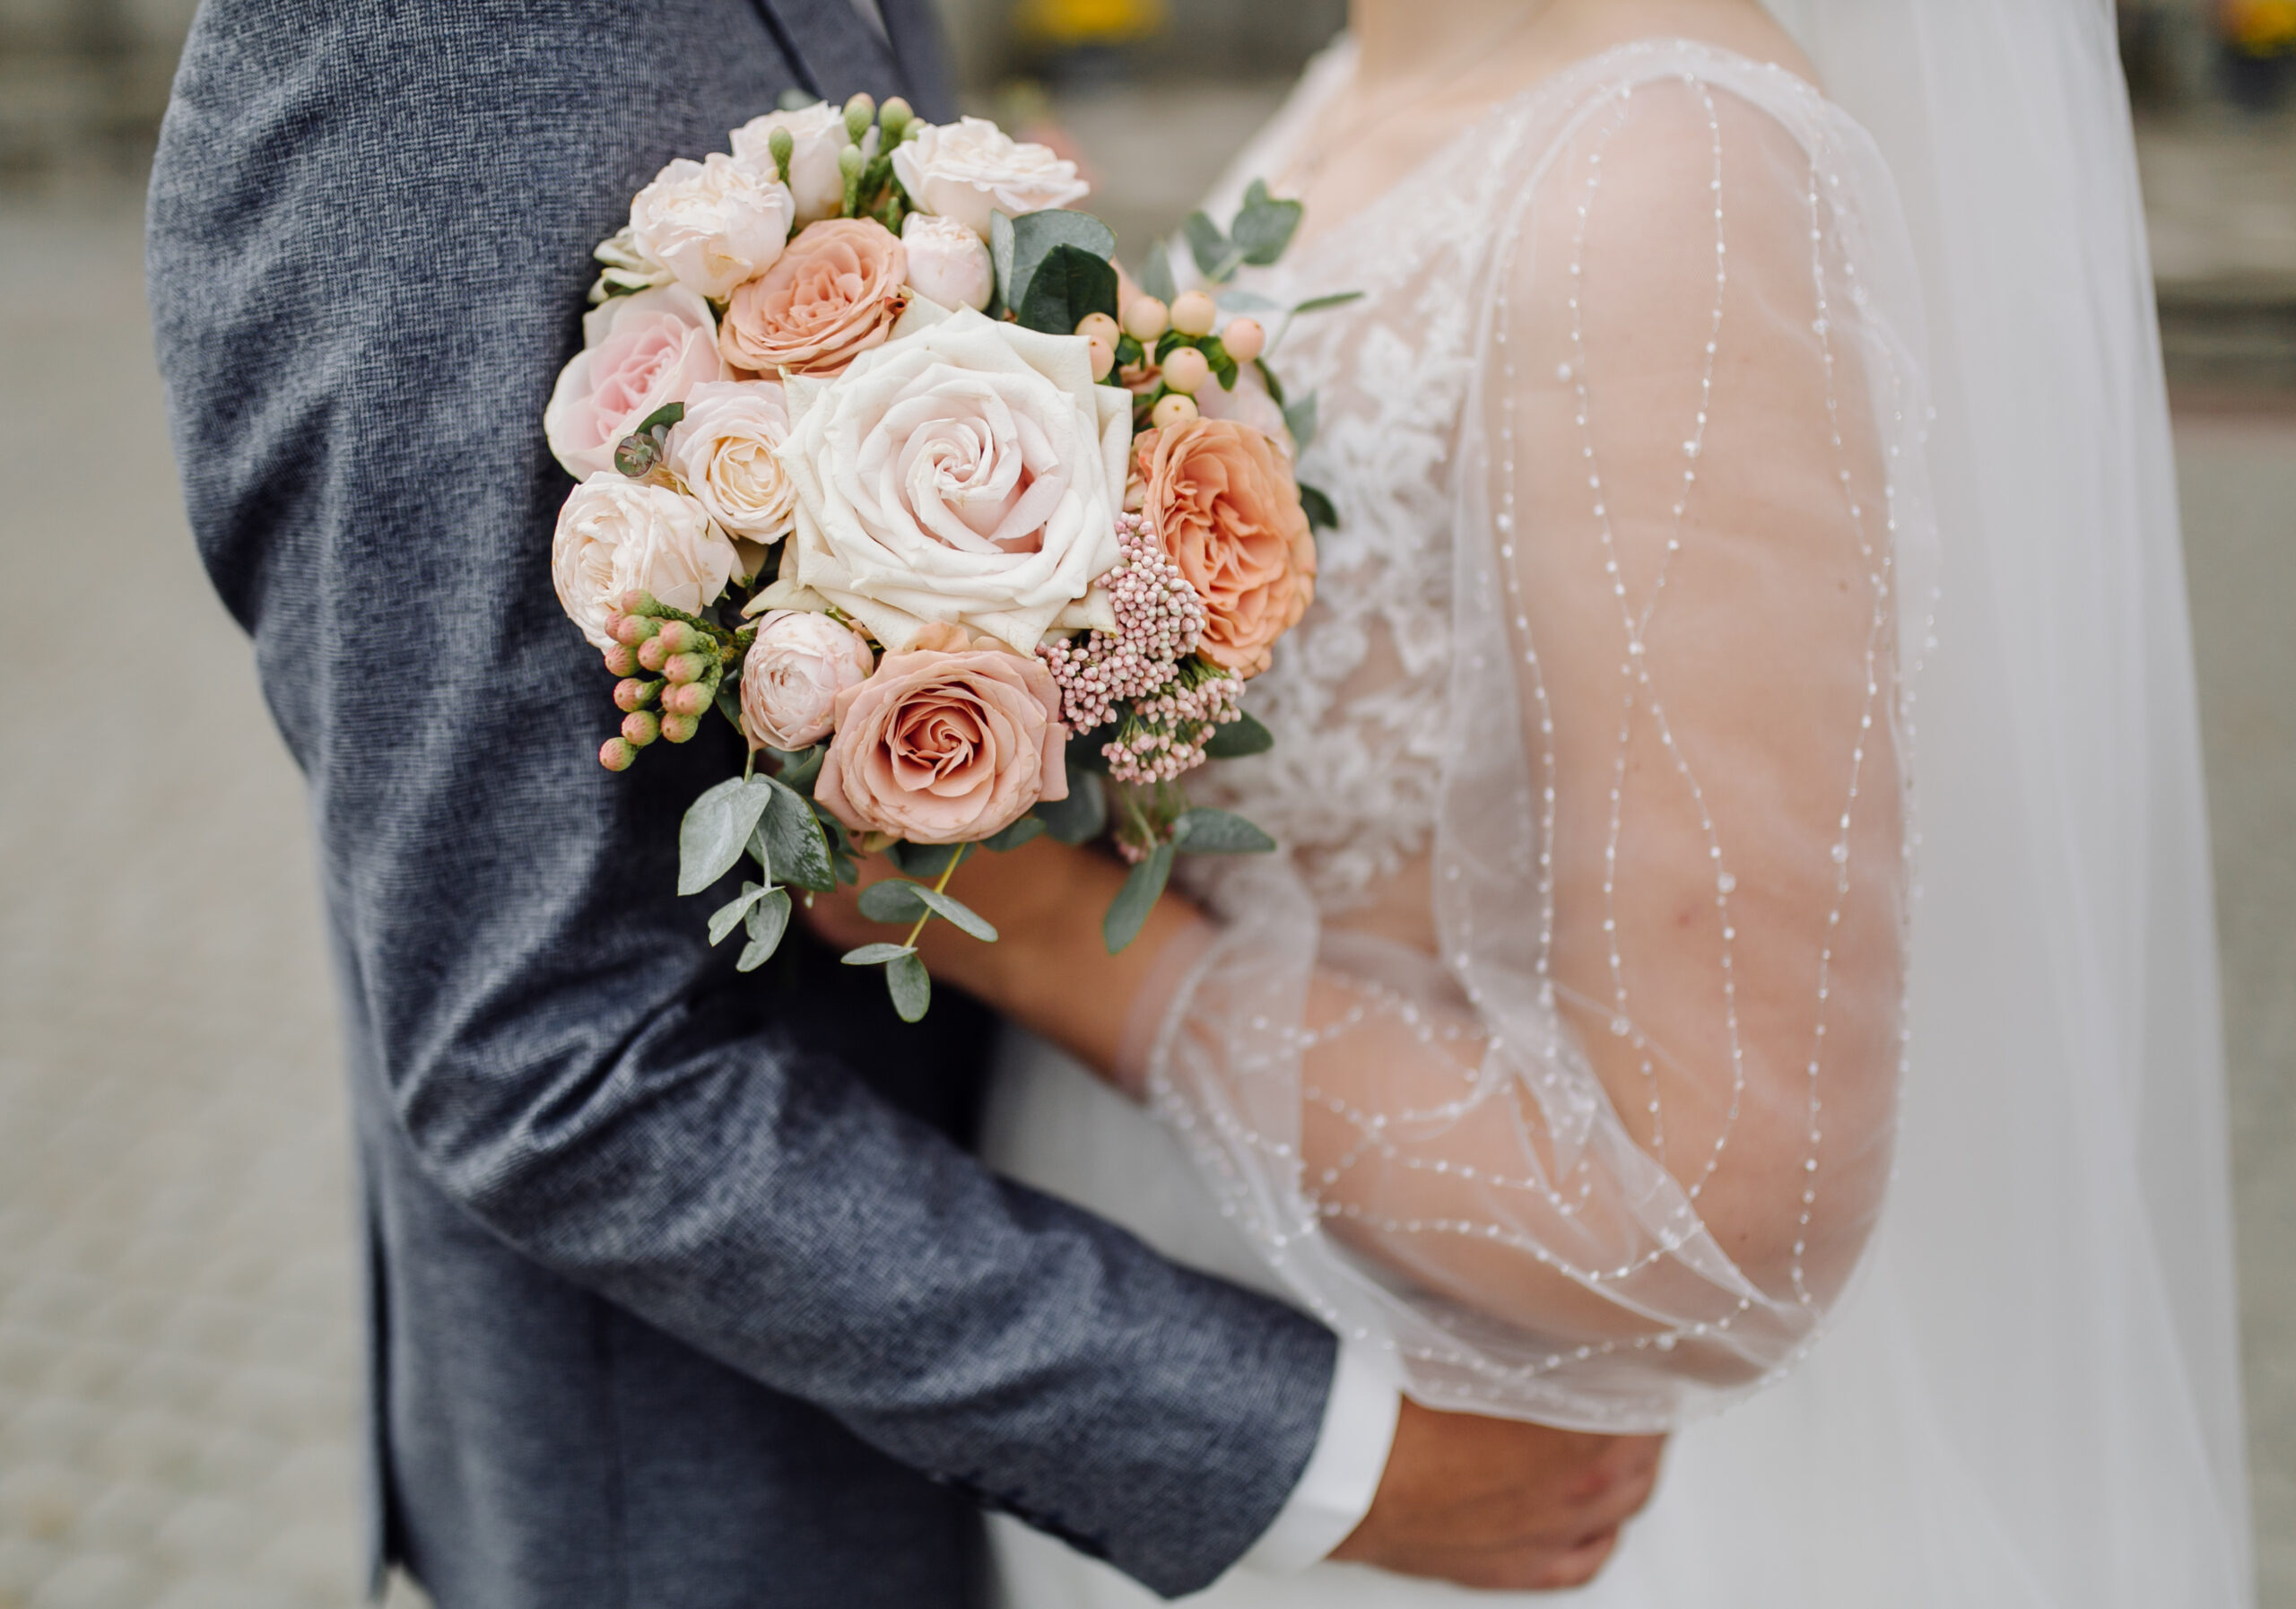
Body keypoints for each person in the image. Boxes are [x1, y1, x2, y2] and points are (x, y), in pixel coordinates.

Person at [144, 1, 1661, 1605]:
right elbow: (542, 1059)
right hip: (721, 1501)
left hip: (1002, 1282)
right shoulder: (445, 53)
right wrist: (1308, 1451)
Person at [806, 0, 2259, 1603]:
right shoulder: (1370, 71)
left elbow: (1711, 1220)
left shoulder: (1671, 181)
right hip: (1211, 1387)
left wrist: (1056, 945)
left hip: (1471, 1491)